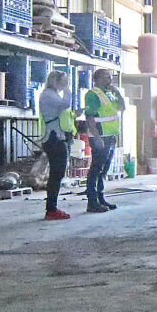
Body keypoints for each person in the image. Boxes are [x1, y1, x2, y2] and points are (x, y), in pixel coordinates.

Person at [82, 68, 125, 214]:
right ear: (98, 78)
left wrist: (118, 93)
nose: (110, 80)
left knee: (103, 170)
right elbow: (89, 118)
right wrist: (97, 137)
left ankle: (100, 198)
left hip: (110, 136)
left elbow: (122, 108)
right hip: (100, 137)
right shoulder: (93, 95)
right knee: (96, 169)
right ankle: (92, 201)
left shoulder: (110, 95)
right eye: (107, 77)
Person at [36, 69, 77, 221]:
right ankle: (51, 208)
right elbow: (65, 104)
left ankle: (52, 207)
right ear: (56, 81)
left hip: (57, 137)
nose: (65, 84)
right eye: (64, 81)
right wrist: (67, 90)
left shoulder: (51, 95)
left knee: (57, 174)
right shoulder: (48, 95)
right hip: (54, 139)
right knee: (56, 174)